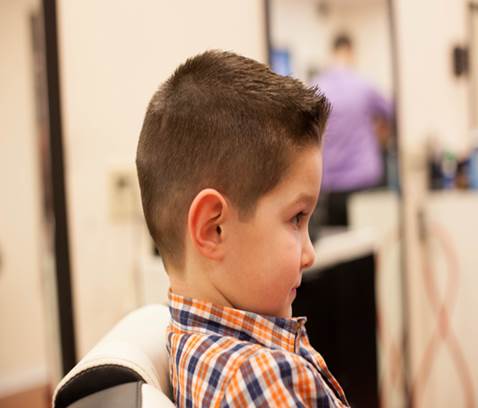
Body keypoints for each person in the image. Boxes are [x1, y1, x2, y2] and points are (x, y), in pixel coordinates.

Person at [136, 50, 349, 407]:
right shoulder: (260, 380)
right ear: (213, 228)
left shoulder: (187, 338)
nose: (310, 254)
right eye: (296, 218)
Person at [310, 33, 393, 226]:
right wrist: (379, 130)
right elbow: (392, 113)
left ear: (332, 52)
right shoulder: (363, 86)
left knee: (341, 248)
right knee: (369, 245)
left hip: (330, 188)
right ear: (350, 51)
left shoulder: (316, 87)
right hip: (365, 184)